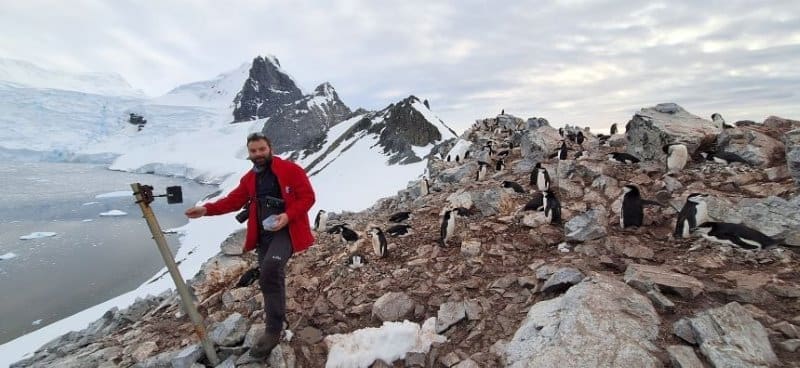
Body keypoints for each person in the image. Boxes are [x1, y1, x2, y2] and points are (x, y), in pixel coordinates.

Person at [185, 132, 315, 358]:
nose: (258, 154)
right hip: (264, 235)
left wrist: (287, 216)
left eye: (261, 149)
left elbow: (308, 197)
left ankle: (273, 331)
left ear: (270, 148)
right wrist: (206, 209)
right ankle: (278, 319)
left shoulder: (291, 170)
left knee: (270, 270)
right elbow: (233, 201)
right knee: (268, 277)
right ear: (249, 153)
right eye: (253, 151)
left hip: (287, 231)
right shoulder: (250, 179)